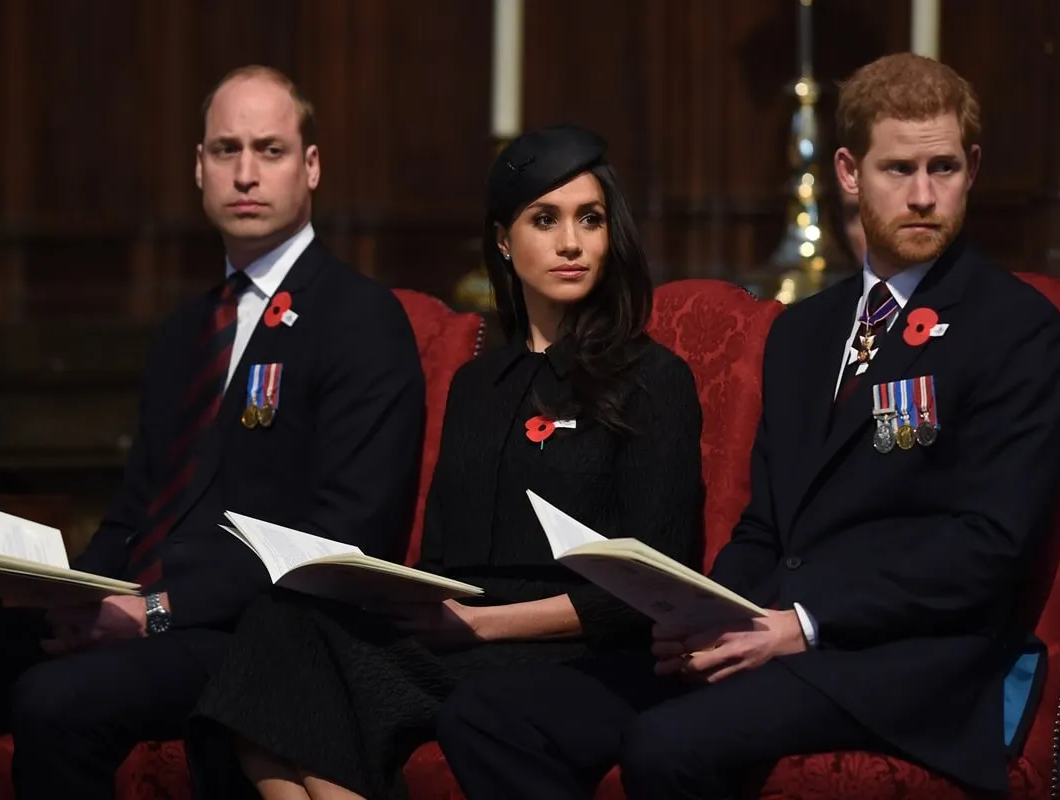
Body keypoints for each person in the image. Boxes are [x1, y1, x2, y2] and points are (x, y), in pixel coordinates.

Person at [436, 52, 1060, 799]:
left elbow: (987, 550)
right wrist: (705, 612)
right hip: (770, 632)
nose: (924, 195)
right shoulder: (806, 331)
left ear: (972, 167)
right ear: (848, 172)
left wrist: (801, 622)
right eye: (899, 169)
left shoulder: (1017, 328)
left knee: (666, 743)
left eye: (944, 168)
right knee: (490, 716)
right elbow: (767, 529)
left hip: (906, 663)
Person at [185, 124, 705, 800]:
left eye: (591, 219)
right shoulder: (475, 386)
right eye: (544, 220)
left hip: (581, 647)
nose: (571, 243)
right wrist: (396, 594)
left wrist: (481, 624)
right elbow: (442, 561)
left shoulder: (653, 378)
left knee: (303, 690)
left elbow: (654, 583)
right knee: (280, 626)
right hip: (462, 635)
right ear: (502, 240)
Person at [0, 65, 425, 798]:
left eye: (269, 151)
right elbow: (136, 511)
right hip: (140, 606)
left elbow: (344, 537)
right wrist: (68, 592)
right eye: (225, 150)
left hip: (253, 634)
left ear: (311, 167)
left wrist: (154, 613)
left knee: (57, 700)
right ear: (198, 168)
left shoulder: (358, 318)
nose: (245, 173)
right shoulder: (186, 330)